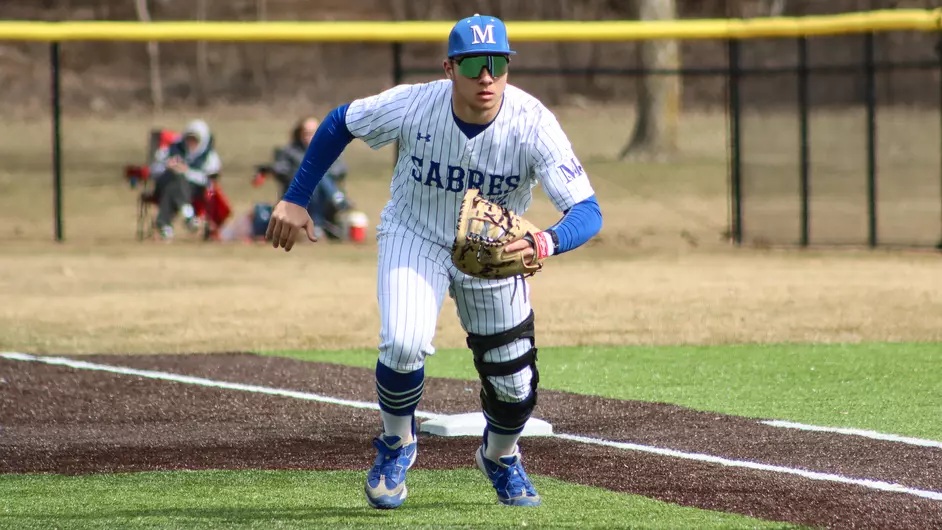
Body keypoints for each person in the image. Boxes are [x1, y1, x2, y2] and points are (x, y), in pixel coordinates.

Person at [265, 14, 603, 509]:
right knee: (403, 342)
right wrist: (297, 197)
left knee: (515, 386)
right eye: (472, 64)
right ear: (449, 67)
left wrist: (544, 242)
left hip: (493, 254)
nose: (486, 77)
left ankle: (500, 455)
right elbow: (341, 121)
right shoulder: (414, 104)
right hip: (415, 234)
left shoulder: (532, 124)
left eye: (497, 64)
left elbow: (588, 211)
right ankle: (396, 443)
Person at [256, 116, 352, 240]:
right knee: (314, 175)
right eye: (306, 133)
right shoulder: (289, 151)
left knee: (319, 176)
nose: (309, 136)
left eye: (314, 133)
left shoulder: (330, 149)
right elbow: (280, 168)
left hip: (324, 199)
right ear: (299, 134)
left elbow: (341, 169)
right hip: (297, 195)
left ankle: (321, 219)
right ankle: (337, 200)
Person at [148, 119, 222, 240]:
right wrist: (167, 166)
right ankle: (188, 215)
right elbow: (153, 169)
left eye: (195, 140)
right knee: (174, 177)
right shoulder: (171, 149)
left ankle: (164, 224)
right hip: (164, 184)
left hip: (194, 190)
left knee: (175, 183)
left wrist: (186, 172)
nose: (191, 143)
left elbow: (208, 180)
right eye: (189, 138)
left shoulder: (210, 156)